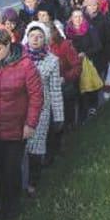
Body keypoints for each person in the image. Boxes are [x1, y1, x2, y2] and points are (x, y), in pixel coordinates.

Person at [0, 29, 43, 219]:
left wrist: (30, 123)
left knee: (12, 168)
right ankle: (2, 205)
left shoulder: (26, 65)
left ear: (8, 46)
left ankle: (14, 206)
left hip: (16, 127)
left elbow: (36, 96)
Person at [21, 23, 64, 192]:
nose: (35, 39)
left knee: (36, 147)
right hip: (20, 108)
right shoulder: (19, 57)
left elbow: (55, 89)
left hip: (41, 110)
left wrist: (59, 116)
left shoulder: (52, 60)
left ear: (45, 39)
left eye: (39, 36)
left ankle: (33, 182)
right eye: (32, 36)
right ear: (27, 37)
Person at [66, 9, 102, 119]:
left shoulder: (90, 29)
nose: (78, 19)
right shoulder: (68, 31)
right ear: (71, 18)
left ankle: (93, 107)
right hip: (74, 64)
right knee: (79, 88)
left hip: (89, 61)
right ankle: (82, 112)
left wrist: (85, 53)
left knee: (90, 84)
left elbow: (98, 46)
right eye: (75, 16)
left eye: (80, 16)